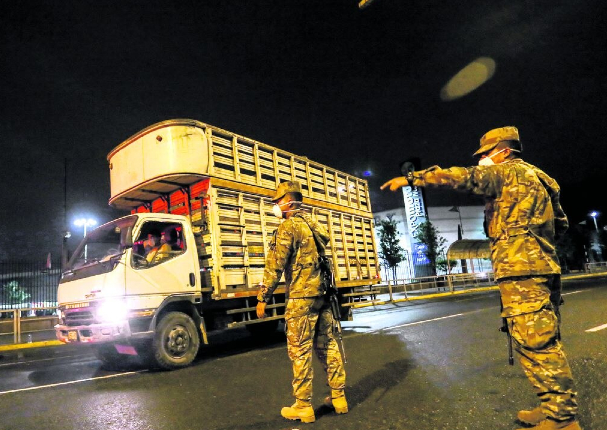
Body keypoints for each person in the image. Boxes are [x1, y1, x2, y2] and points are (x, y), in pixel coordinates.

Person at [381, 126, 581, 430]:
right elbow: (561, 224)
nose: (483, 159)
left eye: (485, 154)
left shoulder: (505, 173)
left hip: (521, 272)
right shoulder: (542, 179)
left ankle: (563, 419)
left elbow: (464, 177)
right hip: (543, 266)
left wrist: (413, 179)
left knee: (538, 344)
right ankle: (551, 406)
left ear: (502, 150)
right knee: (539, 340)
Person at [256, 181, 347, 424]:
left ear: (288, 200)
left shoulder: (288, 227)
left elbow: (274, 265)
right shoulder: (314, 224)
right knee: (327, 344)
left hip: (300, 298)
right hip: (322, 296)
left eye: (277, 201)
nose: (276, 206)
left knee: (300, 350)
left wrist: (263, 297)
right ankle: (338, 397)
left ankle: (303, 406)